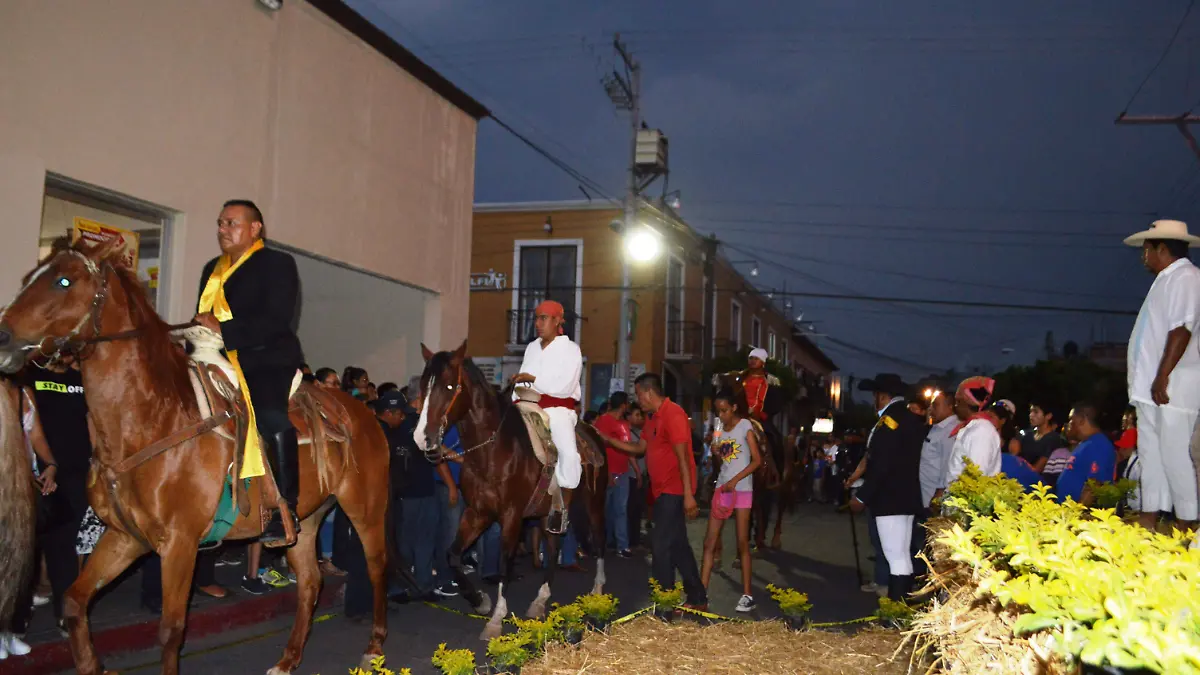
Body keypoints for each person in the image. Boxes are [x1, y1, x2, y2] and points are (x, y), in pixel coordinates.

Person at [193, 199, 304, 546]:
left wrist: (224, 330)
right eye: (221, 223)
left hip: (265, 358)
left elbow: (277, 319)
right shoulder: (212, 268)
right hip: (215, 354)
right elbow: (203, 316)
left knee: (270, 417)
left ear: (255, 228)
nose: (223, 230)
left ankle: (287, 505)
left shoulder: (277, 263)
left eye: (232, 223)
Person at [599, 373, 707, 610]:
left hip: (674, 490)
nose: (638, 400)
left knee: (660, 547)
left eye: (639, 395)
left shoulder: (674, 414)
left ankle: (664, 604)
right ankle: (698, 598)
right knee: (678, 546)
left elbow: (683, 458)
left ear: (648, 392)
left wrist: (689, 495)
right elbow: (638, 448)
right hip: (660, 491)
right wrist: (607, 440)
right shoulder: (652, 418)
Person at [1123, 219, 1200, 531]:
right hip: (1150, 388)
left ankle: (1188, 525)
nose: (1143, 257)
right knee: (1151, 455)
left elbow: (1182, 329)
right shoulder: (1165, 279)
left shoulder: (1187, 277)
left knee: (1174, 454)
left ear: (1162, 248)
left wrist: (1162, 376)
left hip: (1173, 386)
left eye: (1146, 250)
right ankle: (1149, 519)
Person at [850, 373, 926, 602]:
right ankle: (899, 607)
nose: (874, 401)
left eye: (875, 396)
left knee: (895, 556)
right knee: (902, 555)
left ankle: (894, 610)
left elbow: (881, 464)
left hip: (889, 498)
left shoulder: (889, 422)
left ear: (882, 396)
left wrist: (862, 496)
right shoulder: (909, 417)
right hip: (906, 497)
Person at [510, 300, 583, 534]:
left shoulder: (571, 349)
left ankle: (562, 507)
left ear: (558, 321)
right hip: (527, 406)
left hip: (557, 411)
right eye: (537, 318)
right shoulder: (531, 347)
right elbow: (521, 383)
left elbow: (563, 387)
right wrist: (516, 391)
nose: (538, 324)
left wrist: (531, 379)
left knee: (568, 454)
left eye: (544, 318)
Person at [700, 390, 763, 613]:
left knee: (742, 542)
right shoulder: (719, 428)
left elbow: (756, 461)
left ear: (734, 408)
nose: (722, 415)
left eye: (725, 410)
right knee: (710, 542)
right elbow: (725, 460)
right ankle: (701, 592)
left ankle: (747, 594)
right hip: (723, 487)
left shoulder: (745, 426)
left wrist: (735, 481)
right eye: (719, 411)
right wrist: (716, 452)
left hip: (742, 489)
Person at [944, 376, 1003, 487]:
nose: (955, 406)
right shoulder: (974, 427)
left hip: (966, 501)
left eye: (958, 401)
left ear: (967, 402)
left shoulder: (981, 431)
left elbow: (976, 479)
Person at [595, 392, 634, 558]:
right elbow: (599, 448)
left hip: (623, 472)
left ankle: (622, 545)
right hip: (608, 472)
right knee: (602, 510)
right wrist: (607, 471)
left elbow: (628, 448)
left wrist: (636, 472)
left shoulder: (625, 423)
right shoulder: (604, 421)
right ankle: (600, 544)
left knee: (620, 510)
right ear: (624, 405)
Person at [1056, 403, 1118, 504]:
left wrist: (1077, 514)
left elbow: (1094, 485)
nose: (1069, 423)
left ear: (1081, 420)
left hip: (1075, 516)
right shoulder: (1086, 443)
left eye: (1071, 419)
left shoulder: (1098, 444)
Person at [1014, 399, 1065, 473]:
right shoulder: (1027, 435)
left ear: (1048, 416)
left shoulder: (1053, 439)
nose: (1031, 415)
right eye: (1030, 411)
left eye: (1036, 412)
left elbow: (1037, 469)